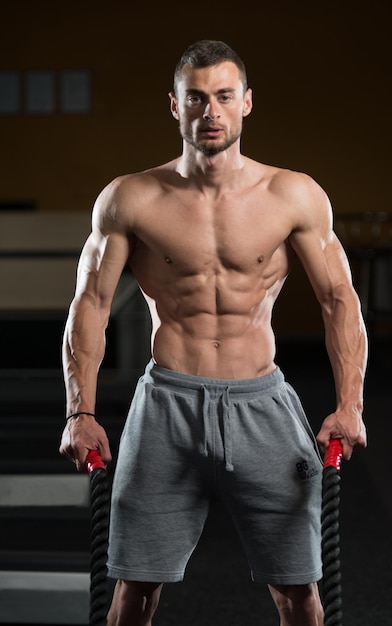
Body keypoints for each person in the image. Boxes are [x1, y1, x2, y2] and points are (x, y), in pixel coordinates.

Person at [59, 39, 367, 626]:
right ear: (175, 107)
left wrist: (350, 405)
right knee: (134, 590)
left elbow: (339, 300)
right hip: (166, 406)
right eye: (195, 98)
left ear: (246, 102)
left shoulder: (292, 194)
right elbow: (91, 304)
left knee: (299, 591)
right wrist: (81, 411)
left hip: (263, 405)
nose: (211, 112)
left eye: (224, 96)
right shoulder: (130, 198)